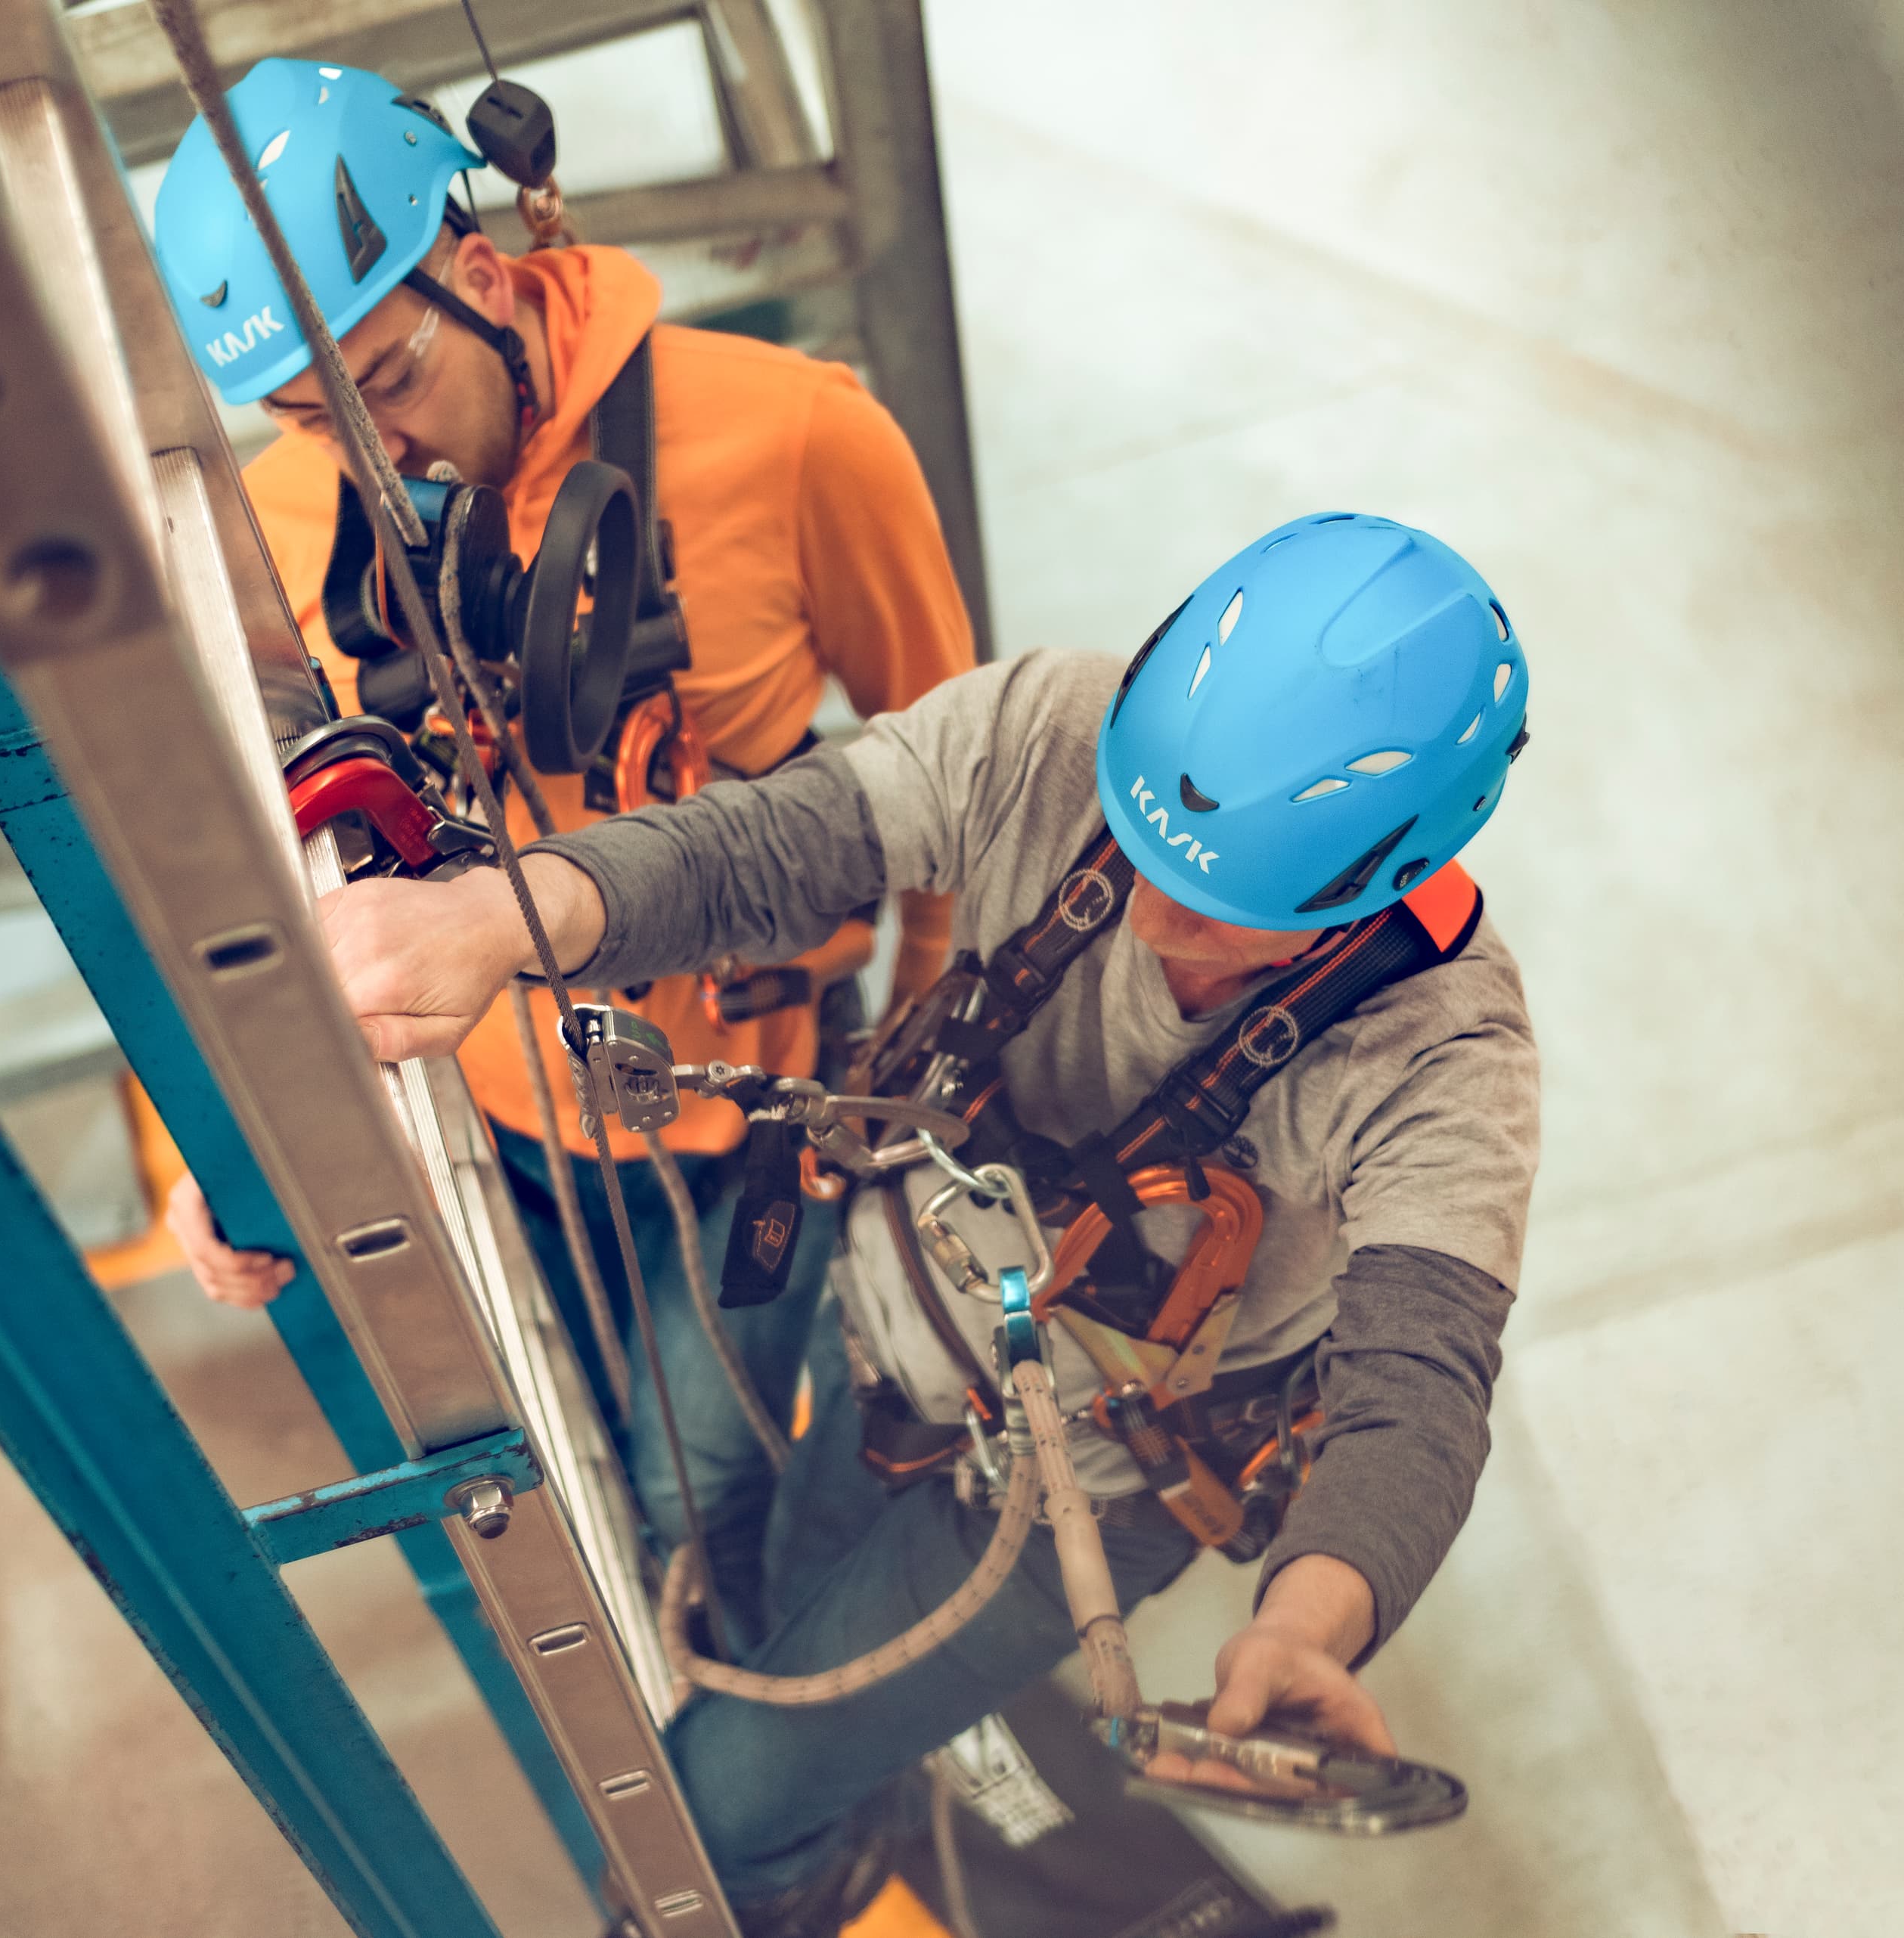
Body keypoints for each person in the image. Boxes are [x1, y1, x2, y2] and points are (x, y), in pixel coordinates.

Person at [186, 508, 1543, 1933]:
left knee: (715, 1813)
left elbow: (1420, 1392)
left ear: (1384, 884)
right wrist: (494, 921)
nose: (1150, 916)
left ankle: (809, 1862)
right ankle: (867, 1792)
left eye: (1221, 908)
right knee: (759, 1588)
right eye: (1144, 847)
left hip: (1097, 1468)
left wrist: (1306, 1621)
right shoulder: (1056, 730)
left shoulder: (1449, 1066)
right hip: (894, 1311)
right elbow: (768, 849)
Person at [145, 57, 975, 1627]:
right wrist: (212, 1130)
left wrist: (924, 1058)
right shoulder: (278, 523)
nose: (369, 454)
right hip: (501, 1118)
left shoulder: (798, 439)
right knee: (582, 1452)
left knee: (699, 1496)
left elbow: (952, 768)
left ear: (478, 274)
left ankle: (782, 1764)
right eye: (313, 417)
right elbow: (243, 852)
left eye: (388, 384)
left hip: (756, 1108)